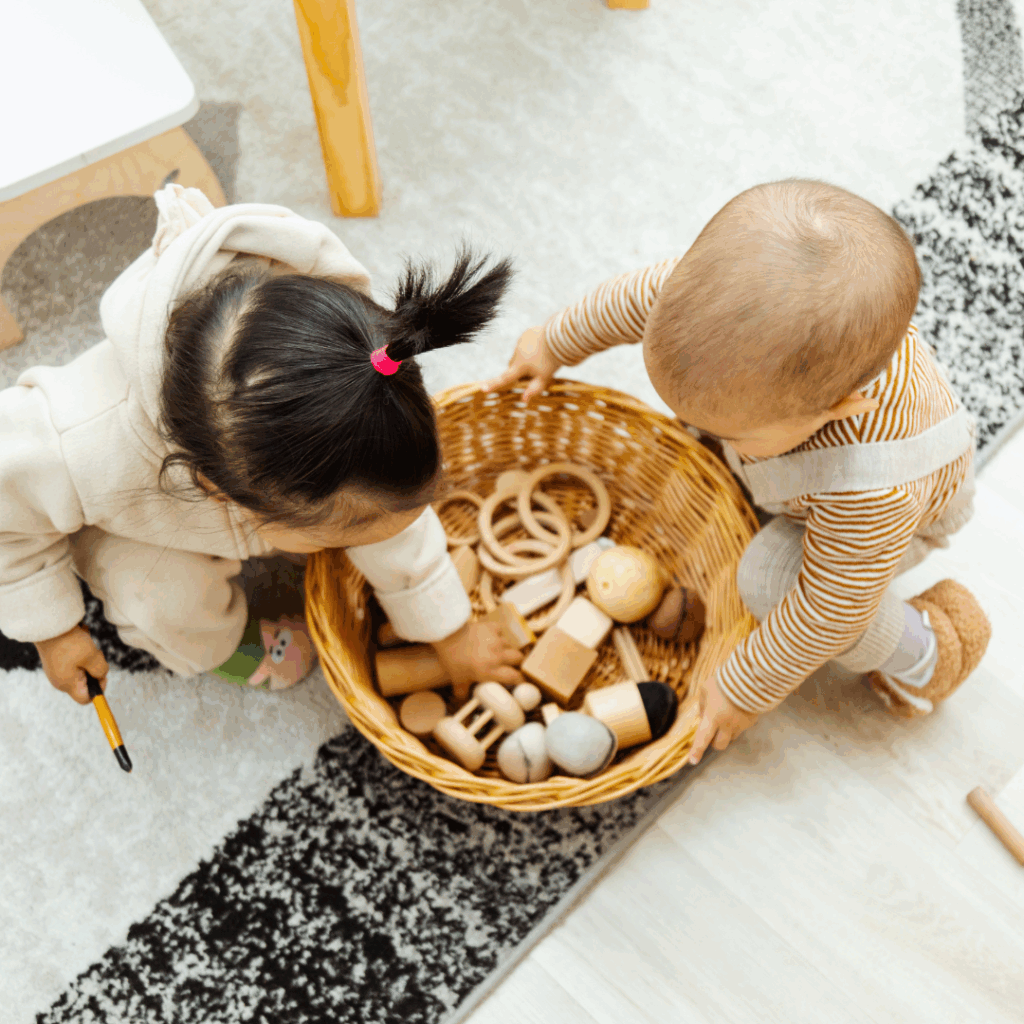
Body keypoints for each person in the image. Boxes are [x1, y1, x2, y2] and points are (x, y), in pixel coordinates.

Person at [485, 177, 991, 764]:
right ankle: (753, 471)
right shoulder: (713, 312)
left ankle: (926, 651)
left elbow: (828, 611)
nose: (689, 424)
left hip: (893, 526)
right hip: (803, 478)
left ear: (837, 409)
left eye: (732, 433)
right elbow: (628, 303)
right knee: (712, 439)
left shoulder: (871, 491)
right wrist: (553, 341)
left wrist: (744, 686)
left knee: (770, 579)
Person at [0, 184, 524, 704]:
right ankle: (228, 647)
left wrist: (448, 631)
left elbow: (393, 527)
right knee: (160, 598)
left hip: (261, 485)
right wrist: (53, 629)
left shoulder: (353, 382)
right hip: (128, 517)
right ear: (218, 490)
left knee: (374, 507)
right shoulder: (72, 446)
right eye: (344, 535)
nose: (364, 539)